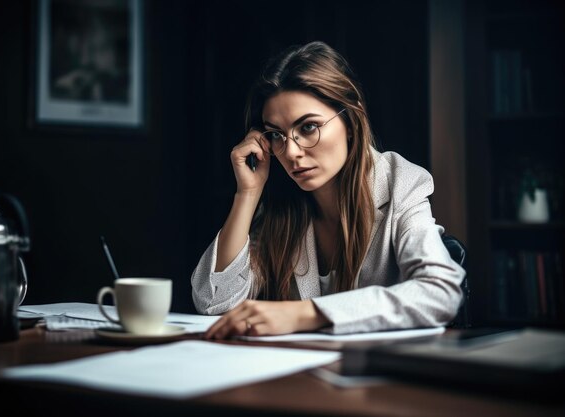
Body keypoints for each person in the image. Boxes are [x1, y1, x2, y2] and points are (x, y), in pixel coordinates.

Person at [191, 41, 465, 339]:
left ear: (349, 120)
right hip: (304, 374)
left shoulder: (401, 183)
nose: (291, 152)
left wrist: (305, 314)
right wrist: (247, 194)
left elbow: (441, 292)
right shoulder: (283, 207)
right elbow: (213, 304)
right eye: (276, 135)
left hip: (381, 376)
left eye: (308, 127)